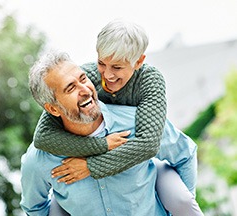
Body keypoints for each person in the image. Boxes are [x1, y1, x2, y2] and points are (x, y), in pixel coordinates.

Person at [32, 19, 202, 214]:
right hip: (107, 160)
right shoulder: (87, 78)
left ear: (138, 61)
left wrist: (90, 166)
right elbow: (43, 136)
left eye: (117, 67)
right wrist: (102, 145)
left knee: (183, 201)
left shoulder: (150, 81)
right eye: (102, 63)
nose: (107, 75)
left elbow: (148, 144)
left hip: (148, 162)